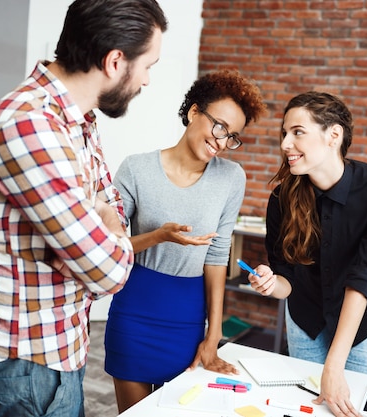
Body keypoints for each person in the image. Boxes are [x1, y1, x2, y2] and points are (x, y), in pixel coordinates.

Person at [0, 1, 168, 416]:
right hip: (28, 353)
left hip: (55, 342)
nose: (147, 81)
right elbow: (106, 271)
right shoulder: (30, 124)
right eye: (148, 66)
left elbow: (113, 206)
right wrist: (101, 228)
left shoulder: (77, 119)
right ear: (115, 61)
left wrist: (101, 220)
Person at [104, 69, 267, 413]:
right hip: (134, 311)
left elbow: (217, 258)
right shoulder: (136, 169)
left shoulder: (231, 178)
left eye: (232, 136)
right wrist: (158, 236)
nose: (222, 142)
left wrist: (214, 335)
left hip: (187, 316)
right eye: (219, 127)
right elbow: (107, 247)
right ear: (194, 112)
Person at [247, 91, 367, 417]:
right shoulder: (282, 199)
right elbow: (285, 279)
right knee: (306, 406)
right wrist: (270, 282)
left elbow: (363, 276)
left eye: (297, 132)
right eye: (284, 133)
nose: (285, 144)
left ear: (334, 135)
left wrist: (335, 364)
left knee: (354, 407)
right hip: (306, 319)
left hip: (360, 325)